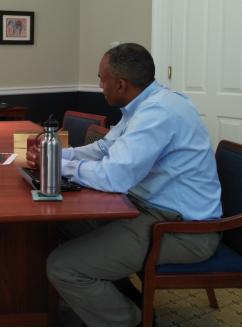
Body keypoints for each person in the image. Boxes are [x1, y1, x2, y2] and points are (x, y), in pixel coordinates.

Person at [26, 43, 222, 327]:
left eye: (101, 79)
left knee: (63, 267)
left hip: (182, 230)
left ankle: (133, 321)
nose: (99, 86)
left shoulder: (158, 112)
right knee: (59, 227)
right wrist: (56, 155)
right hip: (146, 209)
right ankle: (129, 301)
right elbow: (104, 149)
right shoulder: (144, 106)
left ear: (120, 84)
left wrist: (58, 167)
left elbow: (114, 176)